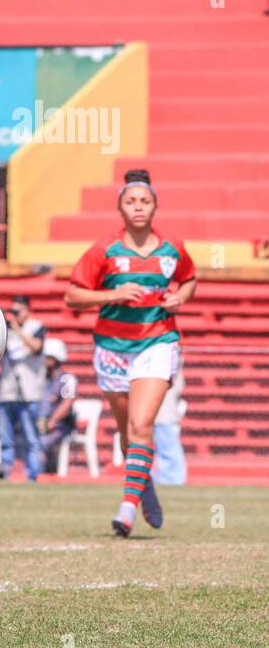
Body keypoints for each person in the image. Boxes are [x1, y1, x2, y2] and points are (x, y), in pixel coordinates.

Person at [65, 168, 196, 537]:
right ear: (120, 208)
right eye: (131, 202)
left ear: (155, 207)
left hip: (158, 342)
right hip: (111, 348)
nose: (138, 207)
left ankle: (125, 510)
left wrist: (179, 298)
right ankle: (143, 485)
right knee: (127, 433)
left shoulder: (172, 248)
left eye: (145, 201)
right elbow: (73, 295)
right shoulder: (104, 250)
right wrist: (113, 294)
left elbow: (189, 278)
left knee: (142, 425)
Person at [0, 294, 46, 482]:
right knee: (5, 436)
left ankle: (32, 474)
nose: (15, 315)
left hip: (29, 391)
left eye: (18, 311)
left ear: (27, 309)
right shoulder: (6, 330)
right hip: (8, 390)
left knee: (31, 436)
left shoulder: (37, 327)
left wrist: (17, 330)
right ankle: (5, 471)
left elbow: (36, 347)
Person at [38, 338, 78, 475]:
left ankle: (45, 472)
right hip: (41, 423)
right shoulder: (41, 378)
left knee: (42, 442)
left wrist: (53, 421)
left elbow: (68, 403)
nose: (46, 360)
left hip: (61, 426)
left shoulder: (67, 379)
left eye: (49, 357)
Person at [151, 366, 187, 486]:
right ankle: (163, 479)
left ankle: (172, 479)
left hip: (164, 412)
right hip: (156, 412)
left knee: (167, 446)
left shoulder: (167, 354)